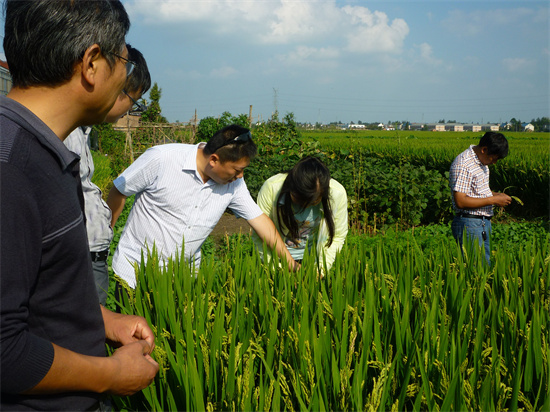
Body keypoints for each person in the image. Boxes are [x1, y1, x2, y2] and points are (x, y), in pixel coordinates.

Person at [0, 1, 158, 410]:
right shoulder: (11, 169)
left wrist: (104, 320)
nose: (125, 71)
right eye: (122, 57)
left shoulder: (45, 153)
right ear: (91, 63)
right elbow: (4, 350)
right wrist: (112, 374)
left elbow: (36, 289)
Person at [107, 124, 300, 289]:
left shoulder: (234, 184)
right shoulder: (162, 159)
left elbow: (260, 222)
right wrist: (104, 239)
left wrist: (291, 265)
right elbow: (119, 190)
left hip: (182, 279)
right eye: (237, 170)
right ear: (214, 160)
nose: (240, 176)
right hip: (134, 274)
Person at [64, 44, 151, 305]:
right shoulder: (65, 133)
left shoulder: (82, 131)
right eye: (131, 100)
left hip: (89, 256)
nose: (128, 110)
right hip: (79, 260)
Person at [253, 156, 348, 274]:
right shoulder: (272, 188)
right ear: (291, 189)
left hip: (313, 259)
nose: (305, 207)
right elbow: (259, 234)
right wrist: (277, 269)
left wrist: (320, 270)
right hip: (275, 258)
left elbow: (338, 236)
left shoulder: (336, 193)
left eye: (313, 202)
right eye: (300, 201)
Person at [449, 131, 512, 265]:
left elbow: (477, 192)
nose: (494, 162)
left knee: (484, 266)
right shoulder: (464, 164)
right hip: (469, 224)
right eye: (494, 158)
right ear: (484, 150)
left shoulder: (481, 163)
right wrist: (494, 200)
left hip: (481, 223)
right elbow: (460, 200)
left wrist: (497, 195)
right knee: (476, 270)